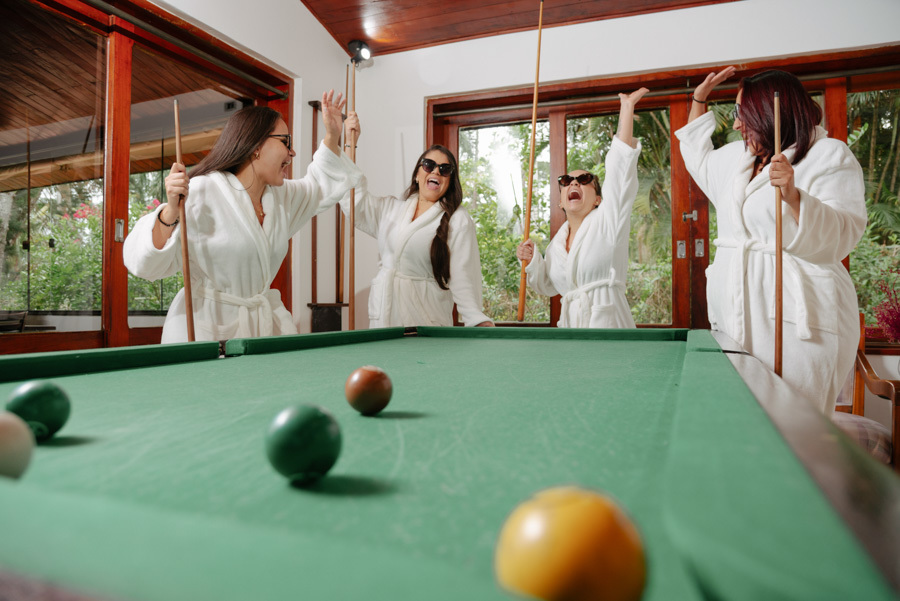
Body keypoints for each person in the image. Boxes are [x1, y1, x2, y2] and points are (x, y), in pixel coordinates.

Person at [676, 67, 867, 413]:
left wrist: (795, 197)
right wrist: (699, 99)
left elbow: (844, 234)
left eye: (742, 113)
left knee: (796, 422)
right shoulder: (736, 159)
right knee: (743, 419)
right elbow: (696, 156)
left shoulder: (828, 154)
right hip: (736, 315)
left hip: (799, 322)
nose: (736, 124)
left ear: (769, 112)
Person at [124, 91, 361, 342]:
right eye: (285, 142)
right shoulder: (203, 191)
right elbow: (146, 265)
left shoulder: (281, 198)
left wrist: (333, 135)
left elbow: (319, 185)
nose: (292, 153)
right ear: (256, 146)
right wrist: (171, 211)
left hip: (258, 332)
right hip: (205, 330)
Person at [516, 88, 648, 328]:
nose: (574, 183)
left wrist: (627, 108)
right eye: (566, 181)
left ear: (598, 199)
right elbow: (548, 286)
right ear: (560, 202)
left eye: (584, 180)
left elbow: (620, 171)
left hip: (607, 325)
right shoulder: (556, 245)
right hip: (571, 331)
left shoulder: (609, 219)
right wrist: (533, 259)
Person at [340, 130, 492, 328]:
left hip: (426, 320)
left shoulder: (458, 219)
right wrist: (349, 143)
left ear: (449, 181)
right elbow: (354, 200)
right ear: (418, 175)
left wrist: (476, 319)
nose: (436, 171)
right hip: (384, 319)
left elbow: (463, 277)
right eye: (429, 165)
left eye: (445, 169)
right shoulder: (390, 210)